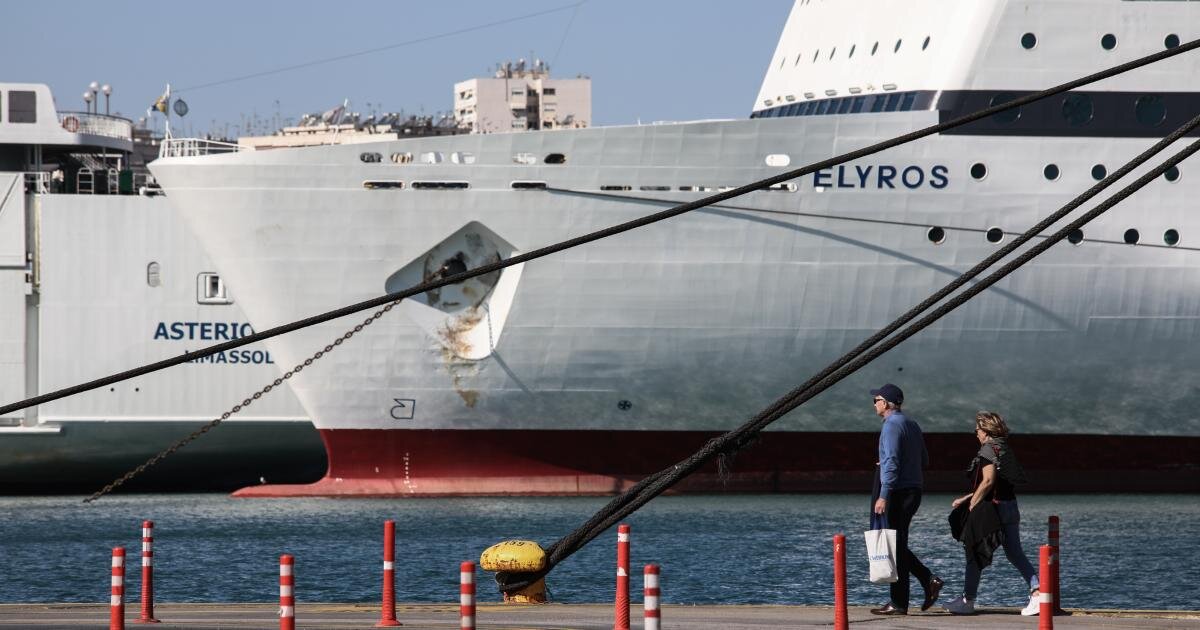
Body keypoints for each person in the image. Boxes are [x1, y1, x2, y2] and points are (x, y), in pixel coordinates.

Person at [943, 411, 1041, 616]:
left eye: (977, 430)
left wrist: (972, 505)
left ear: (986, 431)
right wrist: (967, 498)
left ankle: (967, 600)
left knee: (974, 551)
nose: (976, 434)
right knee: (1015, 553)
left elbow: (988, 481)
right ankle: (1037, 592)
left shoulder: (988, 449)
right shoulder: (1003, 447)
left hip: (992, 510)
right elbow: (999, 482)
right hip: (1010, 506)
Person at [868, 383, 943, 616]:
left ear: (886, 403)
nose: (874, 404)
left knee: (894, 545)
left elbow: (891, 461)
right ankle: (927, 580)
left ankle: (900, 602)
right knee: (898, 544)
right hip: (914, 490)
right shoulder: (911, 424)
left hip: (897, 493)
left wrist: (883, 495)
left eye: (876, 400)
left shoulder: (891, 425)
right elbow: (924, 459)